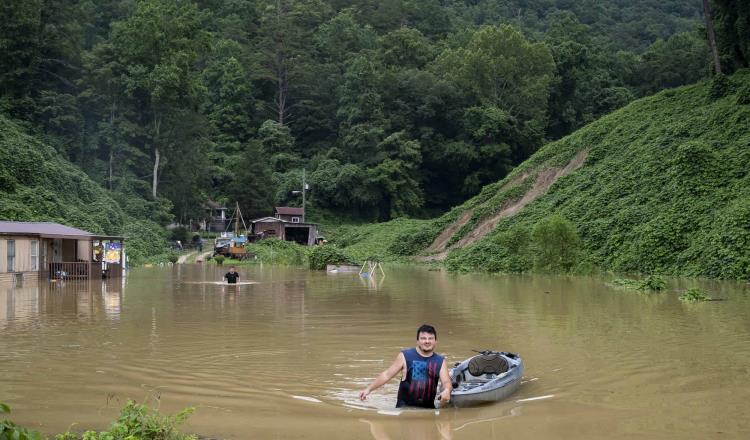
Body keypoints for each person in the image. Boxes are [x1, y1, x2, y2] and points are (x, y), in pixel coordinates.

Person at [359, 324, 452, 408]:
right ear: (418, 341)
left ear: (435, 341)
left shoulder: (440, 361)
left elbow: (446, 382)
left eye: (430, 338)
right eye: (423, 338)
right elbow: (387, 375)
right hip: (404, 409)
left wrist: (447, 390)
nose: (427, 341)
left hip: (428, 410)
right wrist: (368, 389)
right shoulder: (405, 356)